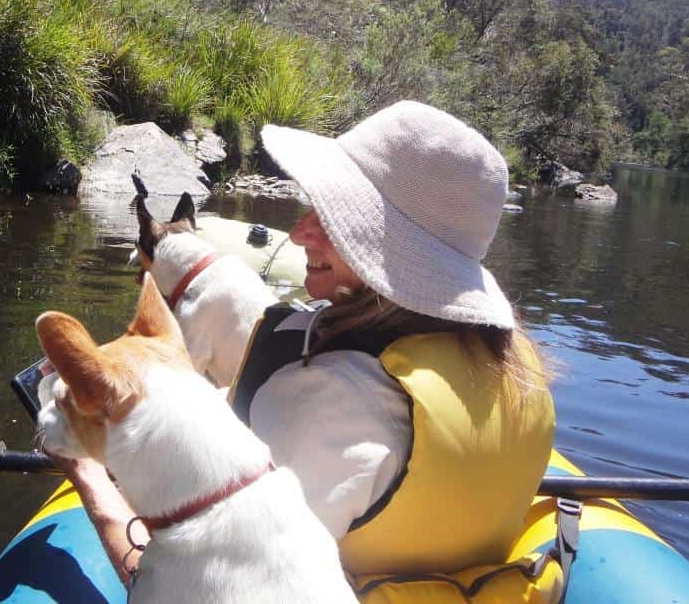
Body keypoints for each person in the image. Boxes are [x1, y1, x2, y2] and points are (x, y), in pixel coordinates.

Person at [51, 100, 559, 600]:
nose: (298, 233)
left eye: (335, 219)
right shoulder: (511, 361)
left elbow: (194, 582)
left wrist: (88, 473)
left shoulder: (332, 400)